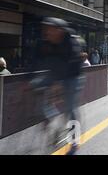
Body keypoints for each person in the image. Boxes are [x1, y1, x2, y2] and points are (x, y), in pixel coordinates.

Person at [30, 17, 85, 154]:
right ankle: (50, 117)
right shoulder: (45, 42)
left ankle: (74, 142)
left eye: (50, 29)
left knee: (70, 108)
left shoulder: (71, 42)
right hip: (54, 75)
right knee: (35, 85)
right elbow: (35, 61)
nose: (46, 32)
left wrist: (59, 84)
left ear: (59, 30)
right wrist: (29, 79)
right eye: (45, 29)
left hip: (73, 76)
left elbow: (72, 65)